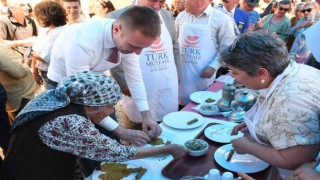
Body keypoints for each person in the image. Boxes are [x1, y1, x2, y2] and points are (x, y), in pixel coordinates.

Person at [0, 71, 189, 179]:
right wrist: (168, 149)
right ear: (91, 105)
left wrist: (123, 132)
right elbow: (117, 153)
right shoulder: (70, 122)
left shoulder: (59, 98)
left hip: (23, 161)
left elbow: (96, 119)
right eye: (110, 107)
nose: (111, 112)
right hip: (35, 173)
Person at [218, 30, 320, 179]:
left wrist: (249, 147)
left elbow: (296, 159)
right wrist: (261, 125)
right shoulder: (290, 70)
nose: (233, 78)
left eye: (235, 72)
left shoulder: (289, 100)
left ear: (262, 73)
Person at [48, 6, 162, 137]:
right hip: (63, 85)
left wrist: (146, 116)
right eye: (133, 46)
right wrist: (121, 131)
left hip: (95, 82)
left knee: (111, 137)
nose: (137, 52)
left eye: (142, 48)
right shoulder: (82, 41)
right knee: (79, 138)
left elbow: (134, 78)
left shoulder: (130, 38)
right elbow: (82, 96)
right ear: (117, 29)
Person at [108, 0, 181, 131]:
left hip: (166, 80)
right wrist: (123, 84)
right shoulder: (117, 16)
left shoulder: (167, 15)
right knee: (138, 127)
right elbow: (113, 54)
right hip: (136, 81)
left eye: (162, 2)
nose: (157, 6)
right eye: (153, 0)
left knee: (168, 126)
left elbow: (175, 46)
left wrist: (178, 74)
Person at [175, 0, 236, 106]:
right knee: (178, 102)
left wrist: (214, 66)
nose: (183, 2)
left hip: (203, 74)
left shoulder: (222, 19)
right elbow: (174, 43)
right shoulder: (181, 16)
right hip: (181, 72)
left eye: (185, 0)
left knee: (200, 103)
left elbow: (227, 47)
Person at [30, 1, 67, 90]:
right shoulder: (43, 30)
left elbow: (46, 58)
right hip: (43, 72)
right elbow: (36, 51)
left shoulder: (60, 32)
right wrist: (35, 72)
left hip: (56, 76)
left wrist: (28, 51)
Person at [0, 40, 38, 122]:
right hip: (21, 96)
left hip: (11, 97)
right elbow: (19, 72)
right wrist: (26, 61)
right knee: (27, 128)